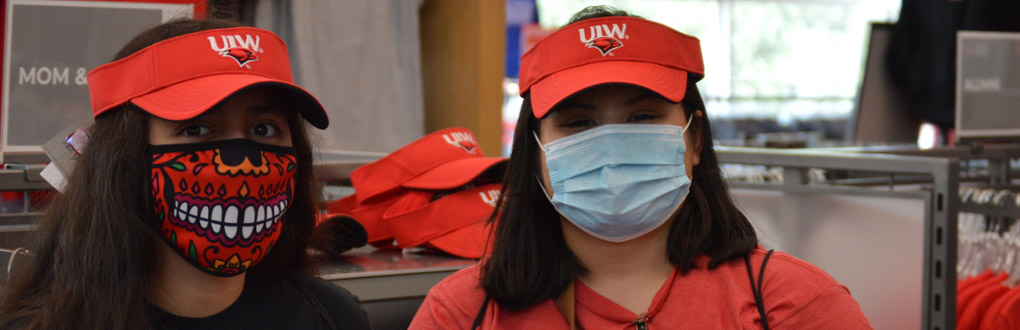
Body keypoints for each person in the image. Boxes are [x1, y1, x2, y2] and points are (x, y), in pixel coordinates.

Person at [410, 6, 872, 329]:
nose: (611, 143)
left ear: (694, 139)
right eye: (579, 123)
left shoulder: (791, 303)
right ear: (535, 154)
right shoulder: (463, 312)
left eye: (642, 117)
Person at [0, 19, 370, 330]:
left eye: (263, 129)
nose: (241, 164)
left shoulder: (333, 319)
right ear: (122, 158)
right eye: (195, 129)